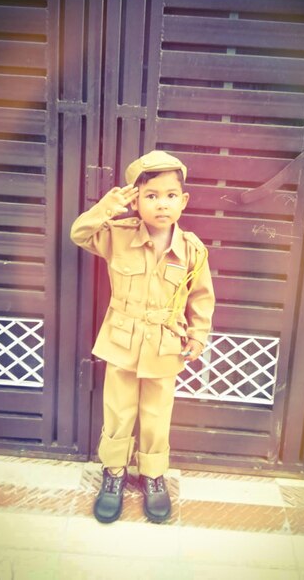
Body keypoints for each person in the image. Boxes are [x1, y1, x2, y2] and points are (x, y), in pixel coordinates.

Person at [70, 150, 215, 524]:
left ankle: (153, 475)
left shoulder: (193, 250)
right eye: (150, 195)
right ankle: (114, 473)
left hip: (166, 343)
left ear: (182, 201)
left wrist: (198, 336)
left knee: (156, 413)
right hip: (122, 339)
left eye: (169, 195)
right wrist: (108, 206)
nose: (161, 204)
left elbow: (201, 296)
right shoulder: (116, 236)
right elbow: (79, 233)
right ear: (136, 200)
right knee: (118, 410)